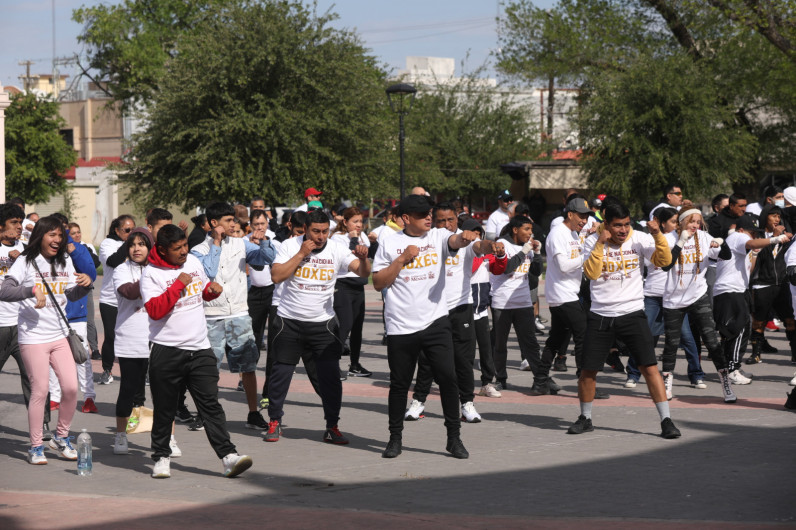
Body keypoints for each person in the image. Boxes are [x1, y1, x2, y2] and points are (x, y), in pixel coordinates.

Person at [141, 224, 252, 479]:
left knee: (210, 405)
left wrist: (211, 292)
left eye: (185, 246)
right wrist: (178, 285)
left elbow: (201, 293)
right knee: (165, 409)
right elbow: (155, 310)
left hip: (200, 348)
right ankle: (161, 457)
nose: (183, 251)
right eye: (177, 248)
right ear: (162, 250)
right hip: (167, 350)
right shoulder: (151, 274)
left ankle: (228, 457)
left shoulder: (192, 262)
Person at [373, 194, 478, 459]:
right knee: (399, 385)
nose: (428, 217)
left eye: (429, 212)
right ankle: (394, 438)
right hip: (400, 327)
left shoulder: (438, 236)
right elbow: (377, 282)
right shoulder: (389, 241)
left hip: (435, 322)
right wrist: (401, 261)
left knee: (448, 378)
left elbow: (455, 241)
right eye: (422, 215)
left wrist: (464, 238)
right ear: (406, 219)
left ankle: (453, 438)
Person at [568, 202, 681, 438]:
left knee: (649, 367)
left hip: (632, 312)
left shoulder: (639, 238)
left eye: (627, 224)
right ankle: (585, 417)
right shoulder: (592, 241)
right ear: (606, 225)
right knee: (588, 371)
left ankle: (666, 420)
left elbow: (663, 261)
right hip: (601, 314)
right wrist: (600, 243)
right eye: (617, 225)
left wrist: (657, 234)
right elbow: (592, 273)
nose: (623, 230)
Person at [266, 209, 370, 443]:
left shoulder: (337, 249)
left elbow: (363, 274)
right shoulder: (290, 246)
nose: (321, 236)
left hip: (323, 324)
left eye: (324, 231)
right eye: (316, 231)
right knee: (280, 374)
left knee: (330, 378)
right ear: (305, 230)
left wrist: (364, 259)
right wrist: (302, 253)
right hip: (289, 321)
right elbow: (276, 276)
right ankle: (274, 421)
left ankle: (332, 426)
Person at [0, 216, 94, 464]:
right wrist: (30, 290)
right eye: (52, 235)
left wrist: (85, 285)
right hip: (33, 338)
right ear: (40, 236)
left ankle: (61, 438)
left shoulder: (64, 260)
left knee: (72, 389)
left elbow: (70, 294)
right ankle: (35, 446)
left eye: (60, 236)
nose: (57, 240)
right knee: (40, 390)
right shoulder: (26, 261)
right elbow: (5, 290)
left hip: (60, 335)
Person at [405, 204, 497, 423]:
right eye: (441, 220)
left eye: (450, 220)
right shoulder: (428, 241)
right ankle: (418, 402)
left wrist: (492, 245)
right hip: (433, 309)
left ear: (458, 220)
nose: (446, 225)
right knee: (426, 360)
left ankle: (467, 404)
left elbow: (479, 246)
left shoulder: (465, 239)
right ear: (433, 222)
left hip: (461, 307)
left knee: (463, 360)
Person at [191, 202, 276, 430]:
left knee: (247, 366)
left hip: (239, 314)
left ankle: (252, 413)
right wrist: (217, 244)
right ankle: (205, 413)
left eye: (233, 220)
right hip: (211, 317)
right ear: (213, 223)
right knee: (209, 370)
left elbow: (265, 259)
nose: (233, 224)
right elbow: (208, 272)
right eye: (228, 221)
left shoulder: (242, 243)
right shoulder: (198, 250)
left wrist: (264, 241)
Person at [112, 228, 182, 457]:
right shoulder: (122, 270)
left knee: (165, 393)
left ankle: (169, 438)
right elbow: (129, 292)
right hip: (130, 340)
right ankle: (121, 436)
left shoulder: (161, 270)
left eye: (142, 244)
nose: (136, 248)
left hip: (159, 339)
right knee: (128, 390)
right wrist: (151, 275)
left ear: (150, 247)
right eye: (132, 244)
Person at [624, 207, 706, 389]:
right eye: (674, 222)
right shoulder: (656, 240)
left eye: (679, 221)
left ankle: (696, 375)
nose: (678, 225)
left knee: (686, 337)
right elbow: (653, 262)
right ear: (661, 223)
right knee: (646, 336)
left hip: (675, 299)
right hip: (653, 295)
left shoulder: (689, 239)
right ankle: (633, 374)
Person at [659, 208, 736, 402]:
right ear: (682, 222)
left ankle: (725, 384)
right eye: (692, 222)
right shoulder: (668, 238)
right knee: (671, 343)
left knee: (711, 341)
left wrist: (722, 242)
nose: (695, 226)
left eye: (698, 222)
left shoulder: (703, 236)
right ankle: (667, 385)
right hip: (673, 299)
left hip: (698, 294)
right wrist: (681, 242)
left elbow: (725, 256)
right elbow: (666, 265)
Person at [713, 215, 788, 380]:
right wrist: (775, 239)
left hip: (735, 290)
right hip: (730, 291)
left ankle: (728, 368)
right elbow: (752, 243)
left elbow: (750, 267)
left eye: (756, 233)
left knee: (733, 331)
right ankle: (733, 369)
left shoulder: (741, 245)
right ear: (741, 230)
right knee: (739, 330)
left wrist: (754, 253)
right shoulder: (737, 237)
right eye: (752, 232)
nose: (754, 236)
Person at [536, 198, 591, 394]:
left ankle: (540, 381)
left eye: (586, 217)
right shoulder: (558, 233)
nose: (584, 221)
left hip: (567, 293)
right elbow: (564, 265)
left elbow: (573, 257)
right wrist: (586, 258)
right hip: (562, 294)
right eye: (581, 216)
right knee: (583, 334)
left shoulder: (572, 233)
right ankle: (585, 383)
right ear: (570, 214)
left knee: (556, 339)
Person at [47, 213, 98, 414]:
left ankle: (88, 397)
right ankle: (55, 396)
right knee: (52, 358)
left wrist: (73, 250)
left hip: (76, 313)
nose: (59, 234)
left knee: (81, 355)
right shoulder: (44, 252)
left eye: (63, 229)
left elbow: (91, 273)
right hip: (52, 313)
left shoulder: (77, 248)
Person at [488, 215, 545, 391]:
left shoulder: (526, 247)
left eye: (531, 230)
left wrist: (536, 253)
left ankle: (540, 378)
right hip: (502, 302)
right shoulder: (501, 244)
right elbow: (506, 268)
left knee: (530, 343)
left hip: (523, 302)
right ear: (515, 230)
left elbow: (535, 272)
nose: (530, 233)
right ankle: (500, 378)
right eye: (526, 229)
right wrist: (524, 251)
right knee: (500, 343)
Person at [0, 203, 35, 416]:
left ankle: (42, 427)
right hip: (1, 325)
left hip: (24, 325)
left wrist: (21, 260)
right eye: (14, 223)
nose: (19, 227)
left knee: (34, 378)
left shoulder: (26, 250)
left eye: (20, 223)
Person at [748, 205, 795, 364]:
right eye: (773, 216)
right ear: (764, 218)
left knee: (790, 320)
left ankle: (794, 353)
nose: (777, 219)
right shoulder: (758, 236)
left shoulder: (787, 237)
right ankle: (756, 354)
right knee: (758, 322)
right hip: (762, 284)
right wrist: (773, 237)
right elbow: (757, 257)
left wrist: (786, 238)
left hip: (782, 285)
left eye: (778, 216)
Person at [331, 207, 373, 378]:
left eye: (360, 222)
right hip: (343, 286)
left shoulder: (362, 236)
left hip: (358, 287)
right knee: (345, 325)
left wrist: (358, 237)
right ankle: (333, 364)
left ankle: (354, 364)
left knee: (357, 327)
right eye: (355, 222)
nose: (359, 225)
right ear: (345, 222)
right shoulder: (337, 238)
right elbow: (354, 255)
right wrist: (354, 238)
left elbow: (366, 256)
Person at [98, 214, 136, 384]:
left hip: (131, 298)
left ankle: (140, 371)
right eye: (127, 230)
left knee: (135, 336)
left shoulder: (137, 245)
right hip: (110, 299)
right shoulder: (108, 244)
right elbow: (113, 261)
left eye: (134, 230)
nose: (131, 233)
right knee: (111, 336)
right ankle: (107, 369)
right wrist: (128, 244)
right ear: (117, 230)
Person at [246, 209, 276, 353]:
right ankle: (250, 369)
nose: (260, 227)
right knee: (254, 332)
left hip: (273, 289)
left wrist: (263, 243)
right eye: (256, 224)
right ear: (250, 225)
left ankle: (271, 374)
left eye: (262, 223)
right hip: (253, 291)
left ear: (267, 223)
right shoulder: (244, 241)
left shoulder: (273, 239)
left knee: (274, 332)